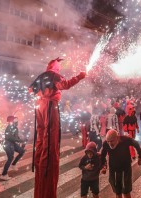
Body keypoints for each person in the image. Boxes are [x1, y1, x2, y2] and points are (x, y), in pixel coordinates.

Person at [29, 57, 86, 198]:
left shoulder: (41, 76)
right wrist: (80, 76)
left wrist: (42, 93)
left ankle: (40, 184)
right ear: (54, 67)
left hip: (40, 107)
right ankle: (47, 188)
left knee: (42, 140)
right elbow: (64, 85)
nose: (60, 68)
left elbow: (31, 90)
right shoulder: (53, 75)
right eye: (58, 66)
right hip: (49, 107)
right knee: (50, 144)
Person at [101, 130, 141, 198]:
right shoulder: (106, 144)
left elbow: (136, 144)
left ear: (117, 138)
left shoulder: (125, 140)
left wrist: (140, 156)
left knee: (126, 192)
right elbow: (103, 155)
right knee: (118, 192)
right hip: (114, 170)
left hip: (125, 169)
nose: (109, 143)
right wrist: (103, 166)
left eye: (111, 141)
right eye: (108, 141)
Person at [0, 116, 25, 181]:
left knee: (22, 151)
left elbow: (15, 136)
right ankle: (3, 175)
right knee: (10, 158)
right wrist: (20, 140)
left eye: (17, 120)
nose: (17, 122)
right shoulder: (9, 128)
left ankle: (13, 165)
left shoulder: (14, 128)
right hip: (8, 145)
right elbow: (11, 138)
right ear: (12, 122)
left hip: (12, 144)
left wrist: (21, 140)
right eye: (15, 120)